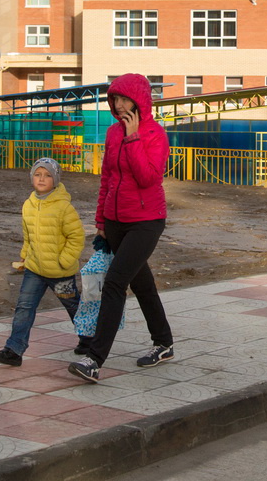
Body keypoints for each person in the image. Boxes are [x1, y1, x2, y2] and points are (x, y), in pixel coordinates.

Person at [68, 73, 174, 383]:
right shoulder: (112, 133)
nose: (118, 104)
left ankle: (94, 359)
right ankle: (164, 343)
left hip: (146, 221)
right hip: (115, 223)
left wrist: (133, 137)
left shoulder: (154, 134)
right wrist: (100, 220)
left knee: (115, 283)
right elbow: (107, 179)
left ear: (139, 101)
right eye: (115, 98)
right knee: (142, 285)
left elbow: (148, 178)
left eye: (124, 98)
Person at [0, 157, 85, 367]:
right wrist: (25, 256)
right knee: (24, 307)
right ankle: (14, 350)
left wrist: (64, 260)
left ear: (56, 180)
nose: (42, 179)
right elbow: (28, 234)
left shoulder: (64, 208)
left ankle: (89, 340)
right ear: (32, 177)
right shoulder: (28, 205)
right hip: (34, 269)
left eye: (48, 175)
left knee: (73, 305)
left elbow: (76, 237)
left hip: (60, 272)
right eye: (38, 174)